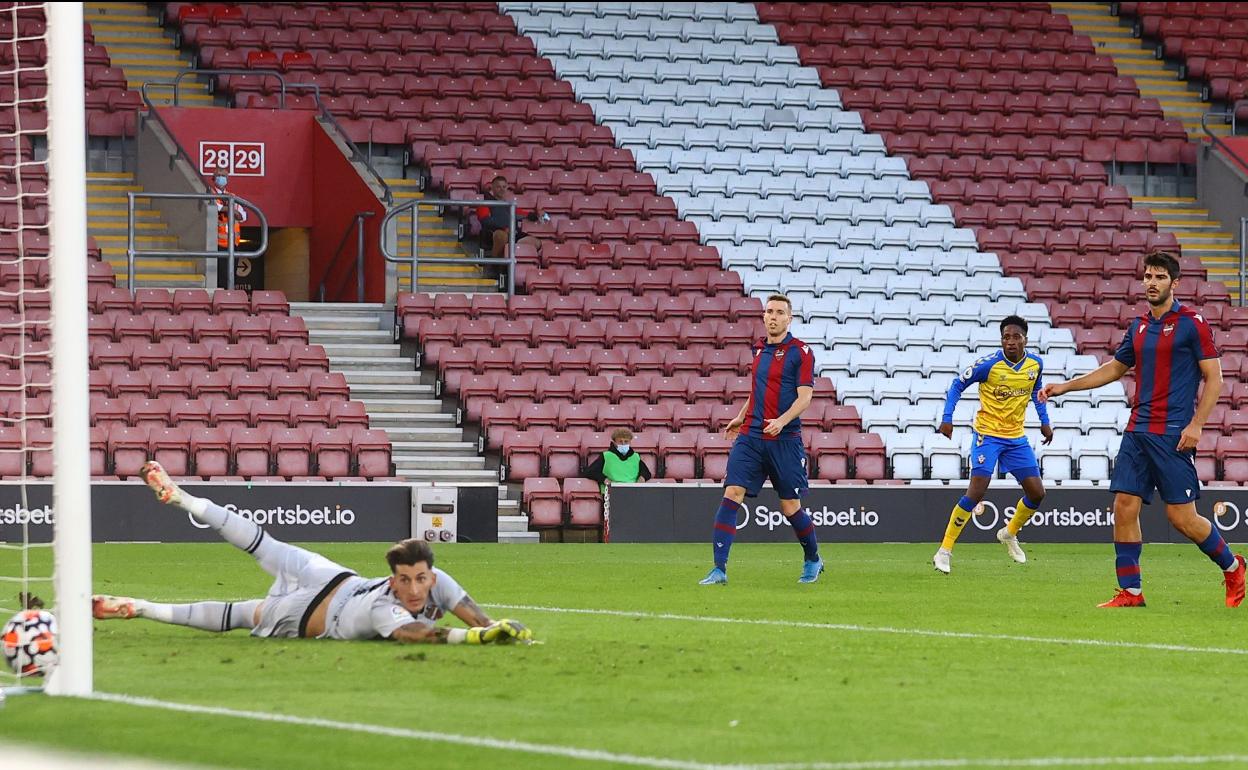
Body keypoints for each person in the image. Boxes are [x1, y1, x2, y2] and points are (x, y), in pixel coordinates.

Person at [92, 461, 534, 645]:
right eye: (406, 580)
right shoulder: (385, 610)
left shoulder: (435, 584)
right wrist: (477, 637)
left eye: (421, 579)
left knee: (238, 611)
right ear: (394, 578)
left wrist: (495, 628)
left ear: (432, 577)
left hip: (310, 602)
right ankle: (183, 499)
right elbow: (421, 636)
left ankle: (140, 607)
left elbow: (472, 611)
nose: (415, 588)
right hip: (325, 591)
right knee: (260, 546)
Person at [1041, 251, 1246, 608]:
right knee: (1123, 507)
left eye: (1159, 277)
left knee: (1181, 518)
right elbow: (1114, 369)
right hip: (1137, 431)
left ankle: (1233, 566)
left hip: (1172, 435)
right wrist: (1065, 387)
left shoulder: (1192, 323)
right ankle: (1131, 592)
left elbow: (1215, 378)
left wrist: (1198, 425)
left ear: (1175, 283)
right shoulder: (1137, 326)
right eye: (1148, 276)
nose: (1152, 283)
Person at [699, 294, 822, 585]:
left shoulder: (801, 352)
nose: (773, 316)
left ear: (789, 318)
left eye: (780, 312)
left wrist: (781, 421)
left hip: (785, 439)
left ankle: (813, 558)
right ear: (764, 316)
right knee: (732, 493)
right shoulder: (758, 350)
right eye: (769, 312)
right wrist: (741, 415)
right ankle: (719, 569)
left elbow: (805, 398)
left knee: (790, 506)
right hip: (751, 436)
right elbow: (758, 391)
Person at [933, 316, 1054, 574]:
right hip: (987, 435)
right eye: (1006, 337)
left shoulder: (1035, 364)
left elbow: (1036, 391)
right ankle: (944, 550)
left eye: (1015, 337)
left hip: (1016, 438)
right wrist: (947, 419)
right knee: (976, 491)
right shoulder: (989, 365)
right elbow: (957, 384)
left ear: (1025, 339)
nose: (1010, 342)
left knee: (1037, 493)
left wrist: (1045, 421)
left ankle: (1009, 533)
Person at [478, 175, 545, 259]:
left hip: (513, 234)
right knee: (501, 236)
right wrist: (503, 228)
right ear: (492, 188)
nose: (502, 189)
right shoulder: (485, 203)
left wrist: (537, 214)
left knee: (536, 242)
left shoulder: (510, 205)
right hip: (494, 234)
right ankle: (496, 264)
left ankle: (513, 257)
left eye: (504, 187)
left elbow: (523, 214)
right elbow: (485, 221)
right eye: (498, 187)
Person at [585, 427, 653, 494]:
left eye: (626, 441)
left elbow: (646, 472)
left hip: (633, 492)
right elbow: (590, 472)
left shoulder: (635, 457)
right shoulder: (606, 456)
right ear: (614, 443)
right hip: (611, 493)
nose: (623, 444)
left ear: (630, 442)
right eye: (620, 441)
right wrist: (604, 479)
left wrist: (642, 477)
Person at [208, 173, 248, 251]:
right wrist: (232, 209)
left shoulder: (231, 196)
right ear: (214, 179)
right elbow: (218, 208)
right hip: (218, 245)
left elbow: (243, 217)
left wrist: (234, 211)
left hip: (234, 244)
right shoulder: (211, 194)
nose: (221, 178)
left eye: (224, 176)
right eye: (218, 176)